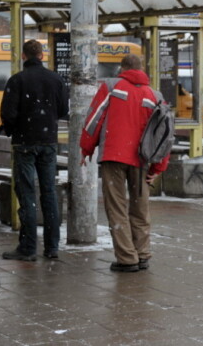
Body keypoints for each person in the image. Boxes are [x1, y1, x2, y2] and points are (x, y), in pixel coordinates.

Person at [80, 54, 170, 272]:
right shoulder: (154, 95)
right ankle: (142, 254)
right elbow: (164, 134)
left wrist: (86, 147)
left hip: (114, 156)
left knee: (117, 208)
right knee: (140, 208)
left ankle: (127, 258)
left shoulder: (111, 86)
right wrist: (158, 167)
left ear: (122, 68)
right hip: (142, 159)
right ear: (142, 68)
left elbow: (94, 118)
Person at [0, 39, 69, 261]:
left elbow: (8, 114)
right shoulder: (56, 79)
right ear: (42, 55)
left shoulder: (17, 80)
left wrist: (15, 129)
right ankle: (52, 247)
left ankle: (28, 248)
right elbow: (62, 110)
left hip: (24, 143)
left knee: (27, 194)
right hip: (48, 142)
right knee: (48, 193)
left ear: (23, 56)